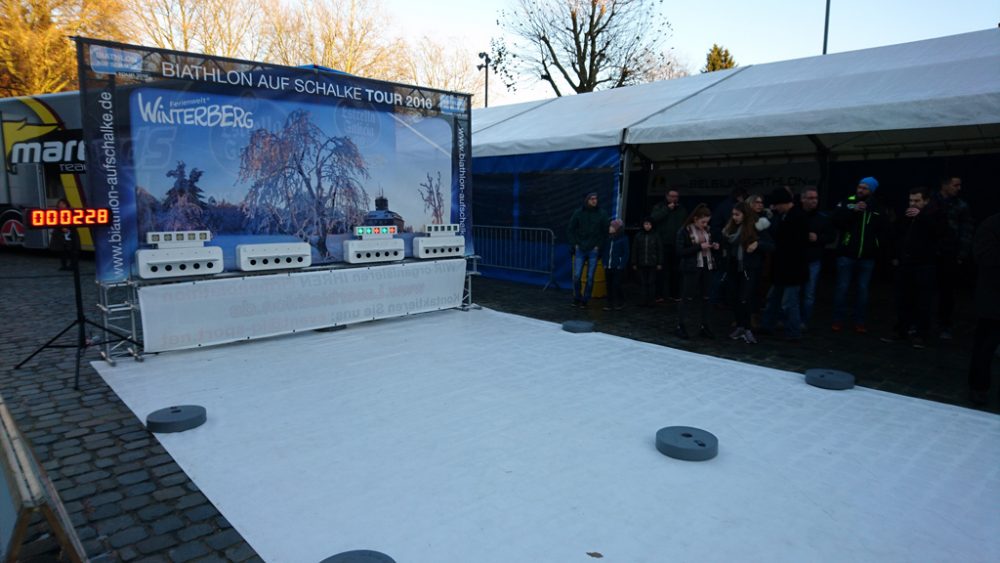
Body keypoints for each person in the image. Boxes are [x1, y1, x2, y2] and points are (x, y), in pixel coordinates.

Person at [880, 187, 947, 348]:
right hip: (906, 264)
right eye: (911, 200)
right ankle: (901, 330)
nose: (913, 204)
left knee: (923, 301)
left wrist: (922, 217)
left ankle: (921, 334)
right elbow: (898, 235)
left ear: (925, 201)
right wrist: (896, 255)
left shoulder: (936, 214)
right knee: (902, 299)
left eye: (917, 201)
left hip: (925, 265)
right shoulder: (907, 216)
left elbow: (939, 232)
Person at [831, 176, 889, 333]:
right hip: (847, 254)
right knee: (842, 288)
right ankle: (837, 320)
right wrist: (853, 211)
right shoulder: (847, 201)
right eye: (859, 186)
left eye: (865, 188)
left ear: (871, 190)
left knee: (863, 290)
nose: (860, 190)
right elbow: (835, 220)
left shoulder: (877, 206)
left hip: (867, 257)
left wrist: (877, 246)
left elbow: (884, 229)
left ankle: (860, 321)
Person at [760, 188, 810, 341]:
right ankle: (768, 326)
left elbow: (791, 244)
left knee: (789, 302)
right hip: (783, 268)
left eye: (777, 204)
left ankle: (793, 332)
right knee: (775, 299)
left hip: (791, 269)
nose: (775, 207)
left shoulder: (797, 217)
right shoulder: (786, 216)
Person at [721, 201, 773, 344]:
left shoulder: (756, 227)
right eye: (733, 215)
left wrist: (757, 244)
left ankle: (747, 328)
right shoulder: (730, 228)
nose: (735, 217)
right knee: (735, 298)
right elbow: (726, 244)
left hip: (748, 268)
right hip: (733, 268)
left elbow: (771, 245)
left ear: (745, 214)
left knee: (745, 298)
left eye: (737, 215)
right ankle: (740, 326)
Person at [932, 176, 974, 340]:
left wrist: (961, 253)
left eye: (959, 185)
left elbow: (966, 230)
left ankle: (945, 324)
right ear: (945, 185)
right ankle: (920, 323)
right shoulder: (931, 201)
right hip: (931, 251)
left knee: (947, 291)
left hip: (949, 253)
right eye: (955, 185)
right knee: (924, 289)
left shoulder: (961, 205)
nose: (958, 188)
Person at [968, 212, 1000, 406]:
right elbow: (983, 256)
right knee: (985, 347)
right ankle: (978, 387)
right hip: (993, 300)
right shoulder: (992, 224)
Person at [675, 204, 719, 339]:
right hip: (692, 267)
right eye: (703, 222)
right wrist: (699, 247)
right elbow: (680, 251)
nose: (705, 224)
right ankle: (681, 325)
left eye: (707, 222)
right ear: (695, 219)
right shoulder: (684, 231)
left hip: (707, 265)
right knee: (687, 297)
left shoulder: (708, 231)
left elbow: (710, 245)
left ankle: (705, 325)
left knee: (706, 297)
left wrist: (714, 246)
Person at [568, 192, 610, 308]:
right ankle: (577, 297)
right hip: (580, 248)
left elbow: (605, 231)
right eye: (592, 199)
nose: (594, 200)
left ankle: (585, 300)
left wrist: (598, 246)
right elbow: (570, 229)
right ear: (587, 200)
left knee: (590, 277)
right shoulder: (579, 212)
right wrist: (575, 244)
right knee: (577, 276)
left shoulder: (602, 214)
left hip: (593, 249)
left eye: (596, 198)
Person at [799, 187, 834, 327]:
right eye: (811, 198)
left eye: (816, 198)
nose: (814, 201)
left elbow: (831, 236)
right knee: (793, 293)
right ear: (803, 199)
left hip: (813, 260)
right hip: (797, 259)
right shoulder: (796, 215)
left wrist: (818, 238)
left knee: (809, 294)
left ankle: (803, 321)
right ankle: (790, 319)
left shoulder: (823, 218)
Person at [709, 187, 749, 304]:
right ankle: (716, 299)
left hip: (726, 246)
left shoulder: (723, 206)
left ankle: (717, 299)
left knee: (723, 275)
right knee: (722, 274)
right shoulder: (731, 208)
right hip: (726, 248)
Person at [650, 188, 687, 302]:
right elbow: (653, 219)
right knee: (660, 270)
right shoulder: (659, 207)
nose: (674, 198)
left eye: (676, 196)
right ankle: (659, 294)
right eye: (672, 196)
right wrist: (667, 210)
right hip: (662, 243)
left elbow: (686, 223)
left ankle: (674, 294)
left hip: (677, 244)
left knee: (676, 270)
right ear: (667, 196)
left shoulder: (681, 209)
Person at [631, 217, 662, 307]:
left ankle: (651, 301)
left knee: (651, 283)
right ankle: (642, 300)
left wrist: (659, 262)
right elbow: (635, 250)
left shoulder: (656, 235)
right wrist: (634, 262)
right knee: (642, 283)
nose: (647, 226)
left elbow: (659, 249)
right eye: (646, 224)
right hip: (641, 263)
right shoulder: (638, 236)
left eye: (649, 224)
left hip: (653, 263)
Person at [603, 219, 630, 311]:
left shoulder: (624, 239)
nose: (609, 228)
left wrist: (621, 264)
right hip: (608, 266)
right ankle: (609, 303)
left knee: (616, 284)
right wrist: (605, 263)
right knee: (609, 285)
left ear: (617, 228)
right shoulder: (609, 239)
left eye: (612, 226)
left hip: (617, 266)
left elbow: (626, 253)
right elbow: (605, 252)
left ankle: (621, 301)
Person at [55, 198, 79, 271]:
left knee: (72, 251)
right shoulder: (56, 213)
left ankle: (73, 265)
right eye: (60, 203)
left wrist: (69, 228)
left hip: (71, 234)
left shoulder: (71, 212)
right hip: (61, 236)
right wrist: (61, 228)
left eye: (63, 203)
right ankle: (64, 265)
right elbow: (54, 223)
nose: (61, 205)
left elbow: (76, 222)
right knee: (63, 251)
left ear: (66, 204)